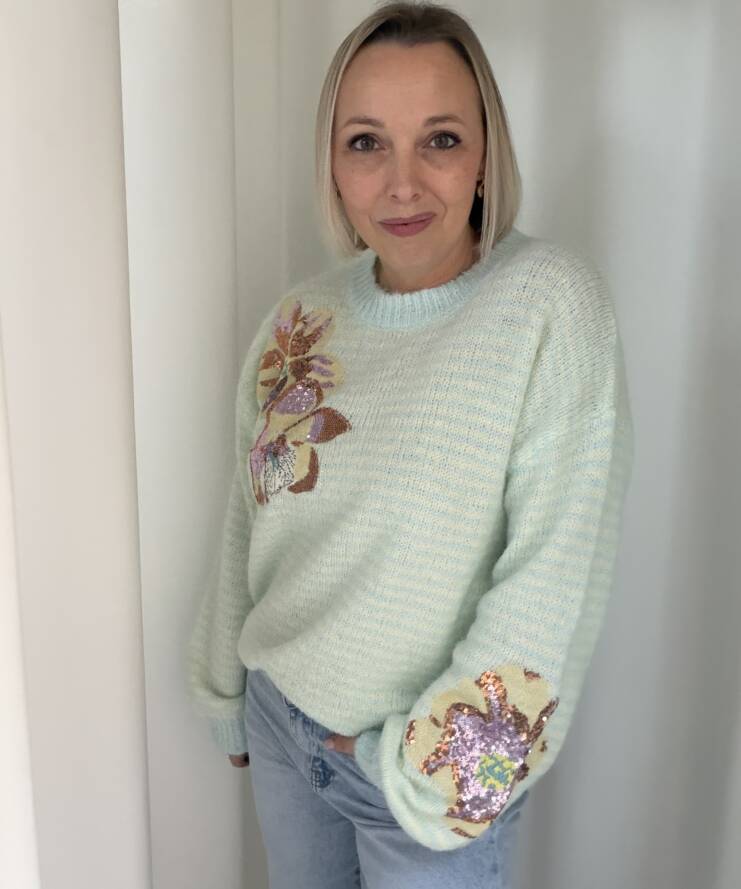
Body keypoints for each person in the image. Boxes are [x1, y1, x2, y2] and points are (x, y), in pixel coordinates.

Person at [187, 2, 635, 886]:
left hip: (419, 780)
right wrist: (223, 691)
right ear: (330, 161)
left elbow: (552, 581)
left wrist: (430, 778)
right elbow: (250, 519)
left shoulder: (549, 305)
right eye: (366, 142)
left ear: (485, 155)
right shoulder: (300, 320)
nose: (401, 183)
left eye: (440, 140)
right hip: (283, 728)